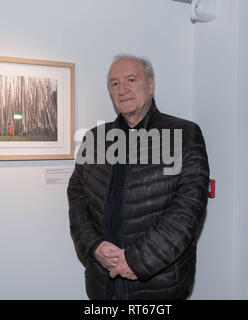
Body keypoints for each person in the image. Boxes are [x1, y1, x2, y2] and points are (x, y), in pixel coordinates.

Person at [68, 54, 209, 299]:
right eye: (114, 83)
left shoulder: (185, 135)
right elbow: (76, 197)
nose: (122, 89)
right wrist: (93, 246)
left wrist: (136, 261)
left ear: (151, 85)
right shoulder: (93, 138)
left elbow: (187, 211)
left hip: (157, 284)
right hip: (103, 282)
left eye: (131, 80)